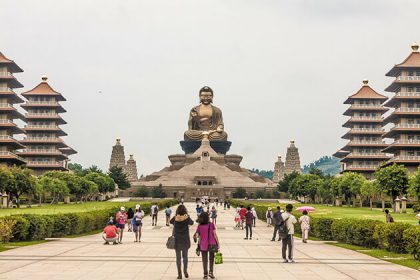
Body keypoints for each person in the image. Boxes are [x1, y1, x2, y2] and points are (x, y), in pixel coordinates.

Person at [170, 205, 194, 279]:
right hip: (185, 240)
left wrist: (177, 218)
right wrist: (187, 216)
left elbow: (171, 221)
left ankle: (179, 274)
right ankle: (185, 271)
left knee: (178, 258)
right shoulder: (187, 218)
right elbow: (192, 223)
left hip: (177, 240)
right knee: (185, 256)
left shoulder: (175, 218)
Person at [195, 212, 220, 279]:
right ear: (207, 218)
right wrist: (218, 243)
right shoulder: (211, 224)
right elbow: (215, 234)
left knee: (204, 260)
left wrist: (196, 237)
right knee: (211, 259)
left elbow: (197, 236)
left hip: (203, 245)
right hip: (212, 244)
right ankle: (211, 273)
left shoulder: (199, 226)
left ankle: (205, 274)